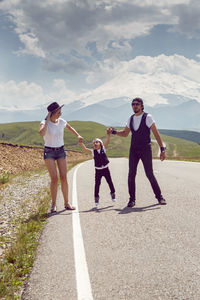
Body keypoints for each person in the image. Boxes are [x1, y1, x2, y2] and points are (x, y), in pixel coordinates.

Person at [109, 97, 166, 207]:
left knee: (149, 174)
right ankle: (132, 199)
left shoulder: (148, 117)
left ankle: (159, 197)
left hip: (145, 149)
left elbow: (156, 134)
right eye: (133, 104)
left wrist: (162, 149)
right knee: (131, 174)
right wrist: (114, 132)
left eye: (137, 104)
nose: (134, 106)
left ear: (142, 106)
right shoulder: (130, 119)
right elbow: (125, 133)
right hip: (134, 150)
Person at [39, 101, 83, 213]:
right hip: (49, 152)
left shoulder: (62, 121)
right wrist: (47, 120)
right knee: (54, 178)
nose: (60, 114)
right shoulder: (44, 122)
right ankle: (53, 204)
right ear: (52, 113)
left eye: (60, 112)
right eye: (58, 112)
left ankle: (67, 203)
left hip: (61, 151)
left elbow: (70, 127)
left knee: (63, 177)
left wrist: (78, 135)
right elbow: (41, 133)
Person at [79, 129, 116, 207]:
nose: (95, 144)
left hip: (106, 169)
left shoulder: (104, 149)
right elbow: (85, 149)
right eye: (94, 143)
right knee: (97, 184)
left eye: (97, 142)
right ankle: (96, 198)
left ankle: (112, 193)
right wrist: (81, 143)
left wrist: (108, 134)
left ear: (100, 144)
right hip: (98, 171)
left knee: (110, 182)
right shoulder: (93, 152)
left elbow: (107, 141)